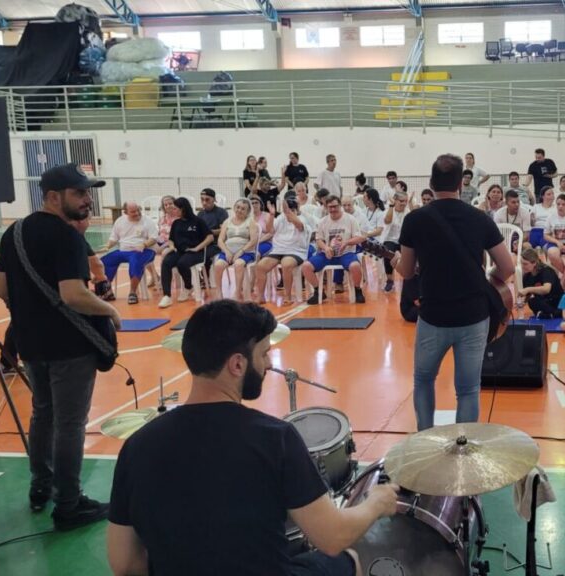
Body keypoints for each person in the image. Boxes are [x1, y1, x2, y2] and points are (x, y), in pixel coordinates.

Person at [107, 301, 398, 576]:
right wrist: (376, 503)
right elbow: (332, 537)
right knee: (347, 559)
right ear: (237, 365)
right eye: (263, 354)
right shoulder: (275, 438)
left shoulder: (137, 446)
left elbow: (124, 563)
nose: (269, 364)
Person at [0, 163, 121, 530]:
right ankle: (69, 504)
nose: (87, 200)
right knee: (69, 424)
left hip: (30, 343)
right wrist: (109, 309)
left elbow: (2, 290)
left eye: (87, 193)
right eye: (79, 193)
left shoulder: (13, 233)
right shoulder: (65, 237)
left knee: (43, 415)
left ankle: (41, 487)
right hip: (69, 346)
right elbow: (73, 295)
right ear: (53, 197)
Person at [393, 154, 514, 431]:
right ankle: (465, 447)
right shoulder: (480, 218)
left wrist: (395, 262)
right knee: (468, 388)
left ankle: (424, 436)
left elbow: (408, 271)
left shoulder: (415, 220)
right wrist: (490, 278)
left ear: (431, 182)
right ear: (461, 183)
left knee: (424, 379)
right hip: (473, 316)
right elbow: (507, 266)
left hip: (434, 316)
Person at [302, 195, 366, 305]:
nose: (333, 209)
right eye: (330, 207)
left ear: (340, 206)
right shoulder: (323, 221)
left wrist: (346, 243)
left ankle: (358, 290)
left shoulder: (350, 219)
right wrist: (325, 248)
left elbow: (360, 237)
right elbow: (318, 240)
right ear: (326, 208)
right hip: (327, 254)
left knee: (355, 266)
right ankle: (319, 292)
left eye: (335, 206)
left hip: (346, 253)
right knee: (306, 266)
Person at [252, 196, 311, 306]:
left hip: (296, 251)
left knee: (286, 264)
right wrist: (272, 215)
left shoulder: (302, 219)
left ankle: (288, 297)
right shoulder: (281, 218)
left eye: (292, 210)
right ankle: (260, 296)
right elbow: (270, 230)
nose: (289, 213)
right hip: (278, 250)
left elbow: (298, 224)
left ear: (297, 210)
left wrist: (288, 212)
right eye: (287, 210)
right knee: (260, 266)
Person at [158, 198, 214, 309]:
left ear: (183, 209)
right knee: (166, 262)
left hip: (195, 252)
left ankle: (188, 287)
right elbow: (171, 239)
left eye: (175, 208)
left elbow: (210, 237)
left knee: (182, 263)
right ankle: (167, 296)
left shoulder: (198, 221)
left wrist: (197, 248)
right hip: (179, 251)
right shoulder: (176, 223)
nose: (173, 210)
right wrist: (172, 246)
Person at [99, 202, 159, 305]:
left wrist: (144, 245)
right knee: (104, 260)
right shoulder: (120, 221)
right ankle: (107, 291)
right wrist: (108, 246)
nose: (136, 213)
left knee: (135, 260)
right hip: (124, 250)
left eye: (138, 210)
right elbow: (114, 238)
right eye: (133, 212)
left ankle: (132, 292)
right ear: (125, 212)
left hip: (145, 250)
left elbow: (153, 238)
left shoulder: (148, 221)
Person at [211, 199, 258, 301]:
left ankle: (237, 292)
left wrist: (241, 251)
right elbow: (220, 240)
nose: (239, 210)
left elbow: (253, 240)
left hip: (246, 252)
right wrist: (227, 251)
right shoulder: (227, 222)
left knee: (238, 264)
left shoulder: (251, 222)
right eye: (238, 207)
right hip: (228, 251)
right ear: (234, 208)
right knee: (218, 265)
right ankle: (219, 291)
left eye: (243, 209)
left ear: (247, 211)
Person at [543, 194, 565, 287]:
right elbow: (546, 235)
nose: (560, 206)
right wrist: (557, 242)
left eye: (563, 204)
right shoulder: (551, 217)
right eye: (558, 204)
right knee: (552, 254)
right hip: (556, 242)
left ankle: (563, 281)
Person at [519, 248, 563, 319]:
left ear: (534, 263)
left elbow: (546, 289)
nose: (522, 266)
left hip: (556, 300)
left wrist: (528, 289)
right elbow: (528, 295)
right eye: (521, 263)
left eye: (525, 264)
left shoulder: (546, 271)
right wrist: (522, 302)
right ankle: (548, 314)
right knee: (532, 301)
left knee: (542, 302)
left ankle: (555, 313)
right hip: (545, 301)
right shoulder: (526, 276)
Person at [382, 190, 410, 293]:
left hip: (404, 240)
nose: (403, 203)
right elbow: (387, 221)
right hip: (390, 239)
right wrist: (391, 206)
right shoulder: (388, 210)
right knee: (388, 252)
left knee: (411, 254)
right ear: (395, 201)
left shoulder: (407, 211)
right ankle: (390, 280)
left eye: (405, 201)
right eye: (401, 201)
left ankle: (409, 279)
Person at [197, 188, 229, 268]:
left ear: (214, 200)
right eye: (202, 200)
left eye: (207, 200)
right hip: (203, 243)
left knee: (203, 255)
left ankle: (206, 278)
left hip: (216, 244)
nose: (204, 203)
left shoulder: (221, 212)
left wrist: (209, 232)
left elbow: (224, 230)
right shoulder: (200, 214)